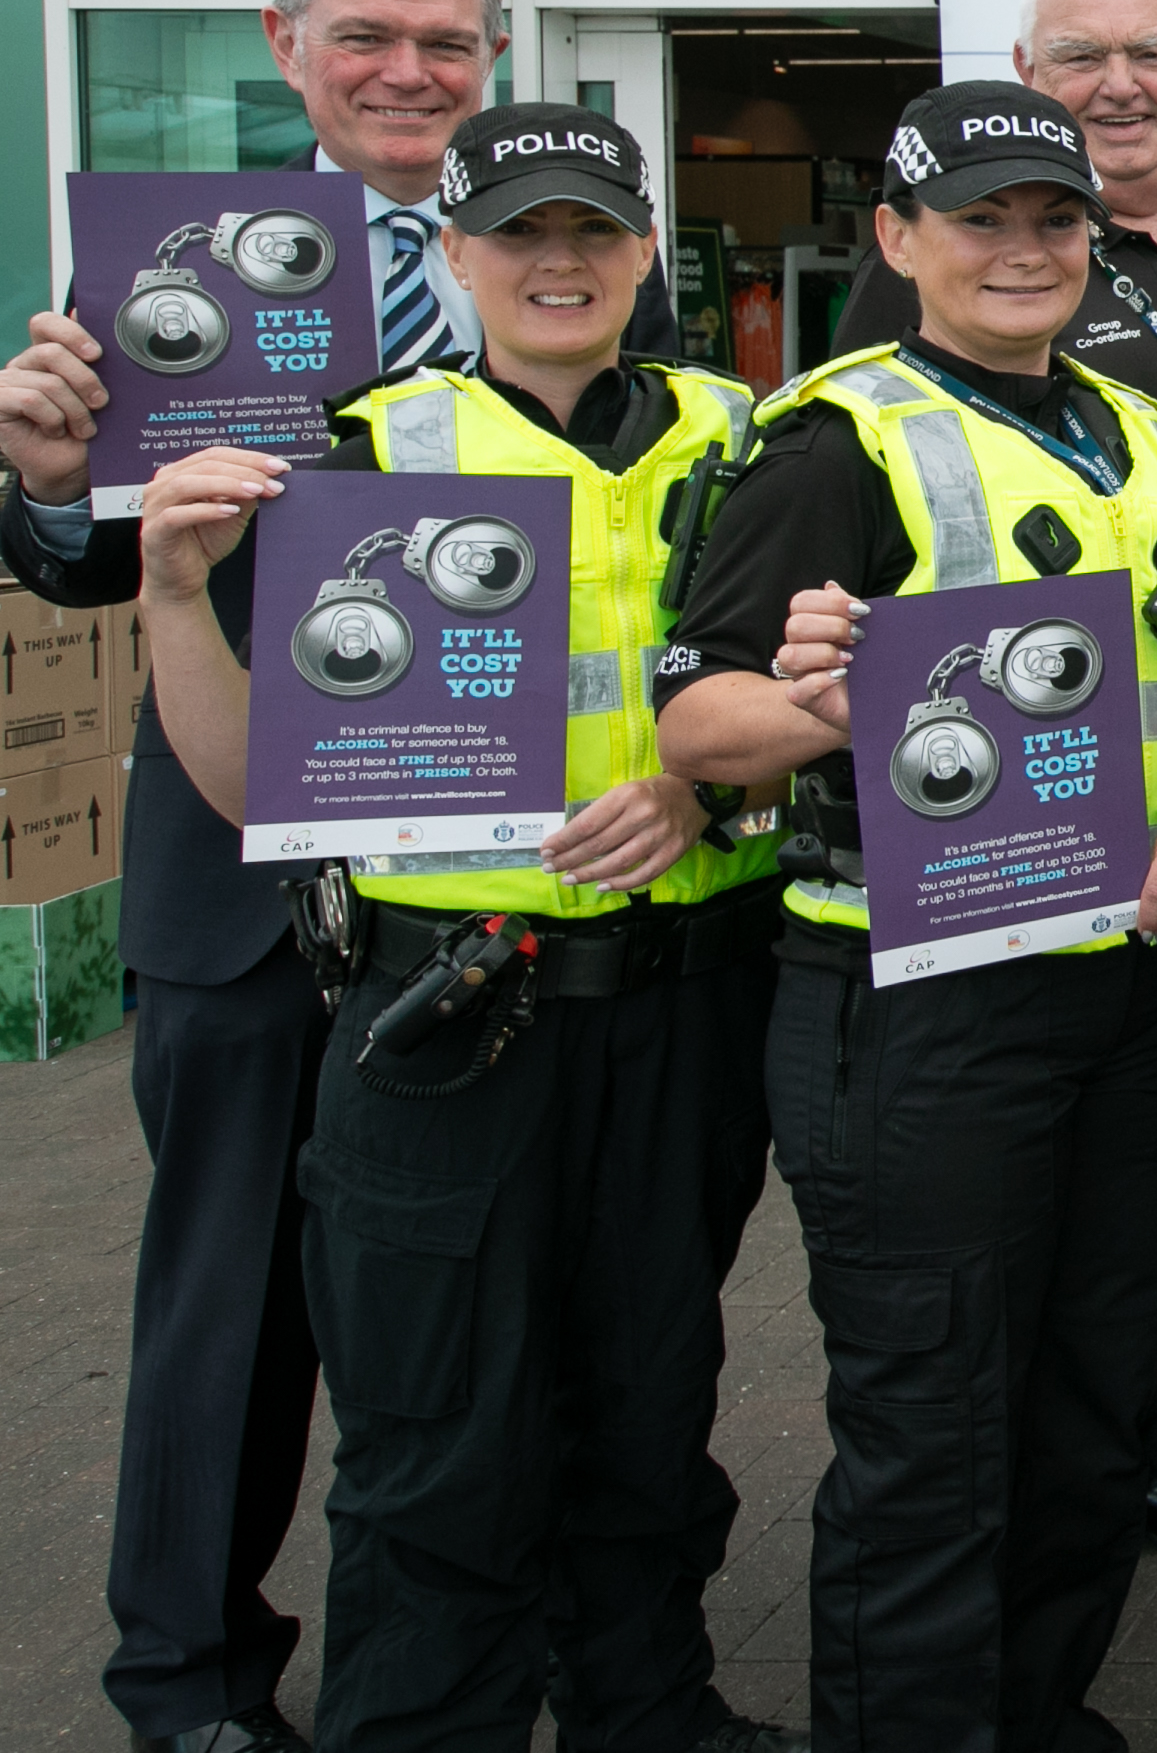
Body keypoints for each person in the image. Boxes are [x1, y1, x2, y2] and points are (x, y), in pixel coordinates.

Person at [0, 0, 651, 1753]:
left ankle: (477, 1642)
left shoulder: (577, 266)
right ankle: (189, 1675)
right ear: (288, 49)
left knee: (484, 1298)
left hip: (492, 882)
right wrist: (53, 485)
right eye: (368, 37)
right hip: (248, 863)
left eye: (448, 44)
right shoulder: (169, 271)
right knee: (234, 1297)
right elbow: (81, 557)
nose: (409, 73)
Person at [126, 105, 790, 1753]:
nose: (557, 262)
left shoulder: (748, 436)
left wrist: (703, 795)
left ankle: (650, 1710)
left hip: (679, 1001)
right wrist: (166, 591)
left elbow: (805, 699)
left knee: (648, 1410)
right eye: (518, 234)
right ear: (453, 253)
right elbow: (241, 782)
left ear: (647, 248)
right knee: (438, 1434)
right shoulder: (355, 449)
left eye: (592, 231)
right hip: (449, 1013)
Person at [651, 81, 1157, 1751]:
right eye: (979, 218)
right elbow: (698, 727)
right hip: (918, 1008)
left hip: (1121, 987)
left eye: (1053, 218)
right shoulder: (834, 439)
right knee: (935, 1435)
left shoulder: (1135, 421)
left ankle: (1037, 1713)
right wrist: (861, 704)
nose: (1022, 248)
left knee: (1084, 1415)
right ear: (900, 238)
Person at [833, 0, 1157, 1555]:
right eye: (1080, 57)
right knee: (1002, 1219)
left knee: (1125, 1179)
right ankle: (1007, 1492)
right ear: (1027, 76)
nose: (1121, 83)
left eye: (1152, 55)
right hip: (1004, 827)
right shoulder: (962, 263)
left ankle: (1122, 1445)